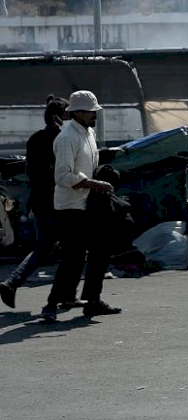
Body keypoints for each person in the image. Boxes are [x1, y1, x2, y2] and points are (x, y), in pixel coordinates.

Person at [40, 90, 121, 322]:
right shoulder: (66, 138)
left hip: (88, 203)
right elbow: (63, 176)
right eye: (91, 112)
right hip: (70, 207)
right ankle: (51, 305)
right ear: (79, 113)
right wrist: (94, 183)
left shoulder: (88, 133)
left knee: (100, 251)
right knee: (73, 258)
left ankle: (92, 301)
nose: (95, 115)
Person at [0, 94, 85, 310]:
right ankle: (66, 296)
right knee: (72, 249)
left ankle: (12, 284)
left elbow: (32, 172)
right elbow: (61, 173)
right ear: (63, 116)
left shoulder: (36, 138)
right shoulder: (64, 139)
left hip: (39, 203)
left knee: (44, 248)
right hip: (58, 203)